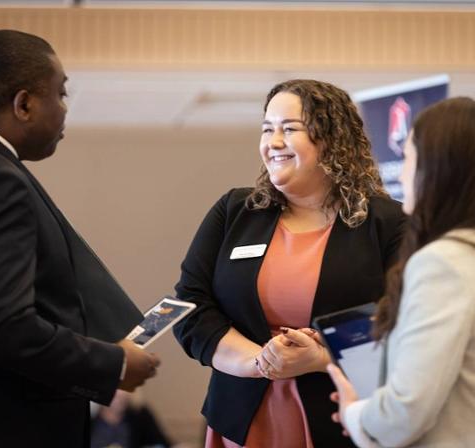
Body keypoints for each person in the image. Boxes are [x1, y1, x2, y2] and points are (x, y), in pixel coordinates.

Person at [0, 30, 160, 448]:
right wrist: (111, 365)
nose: (64, 110)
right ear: (24, 104)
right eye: (60, 95)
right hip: (7, 429)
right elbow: (0, 327)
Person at [173, 79, 405, 447]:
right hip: (241, 420)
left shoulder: (387, 222)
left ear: (331, 139)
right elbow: (190, 307)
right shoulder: (236, 211)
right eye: (267, 129)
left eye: (289, 129)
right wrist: (259, 361)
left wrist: (322, 358)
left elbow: (405, 322)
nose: (273, 142)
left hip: (342, 417)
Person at [327, 96, 475, 447]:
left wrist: (356, 413)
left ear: (437, 169)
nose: (402, 169)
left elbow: (405, 411)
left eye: (409, 156)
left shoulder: (441, 264)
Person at [91, 390, 173, 448]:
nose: (119, 393)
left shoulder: (140, 415)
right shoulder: (86, 416)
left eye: (123, 387)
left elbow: (162, 443)